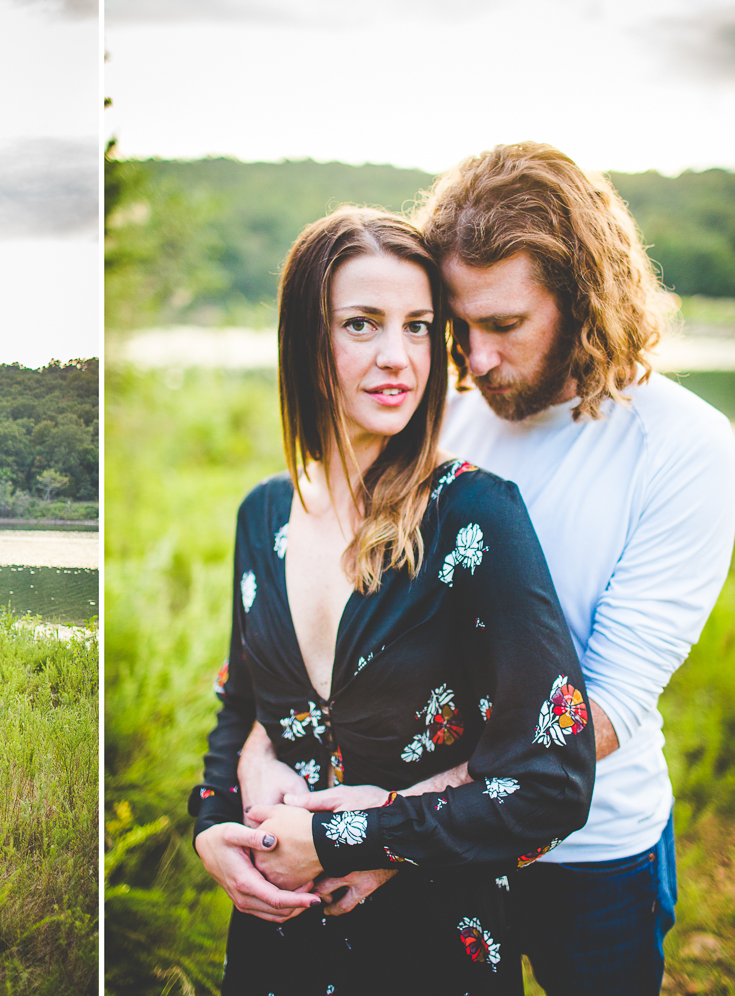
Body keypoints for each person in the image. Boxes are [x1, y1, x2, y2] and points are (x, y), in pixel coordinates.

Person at [237, 143, 735, 995]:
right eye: (454, 324)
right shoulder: (441, 422)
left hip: (590, 852)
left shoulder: (685, 449)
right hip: (421, 849)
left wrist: (391, 827)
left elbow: (603, 707)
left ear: (584, 301)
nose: (473, 359)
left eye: (504, 325)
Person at [191, 206, 596, 995]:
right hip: (278, 943)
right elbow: (243, 709)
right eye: (362, 325)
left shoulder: (473, 515)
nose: (397, 359)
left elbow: (553, 780)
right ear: (306, 340)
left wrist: (348, 840)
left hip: (429, 941)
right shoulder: (262, 514)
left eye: (417, 327)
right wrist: (211, 828)